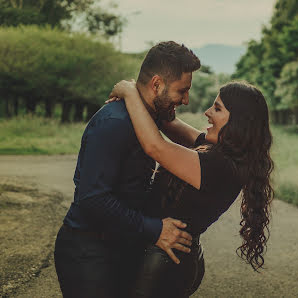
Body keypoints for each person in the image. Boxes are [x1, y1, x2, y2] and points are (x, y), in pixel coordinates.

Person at [54, 41, 201, 298]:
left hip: (119, 246)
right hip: (88, 254)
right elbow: (93, 199)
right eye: (182, 91)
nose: (186, 100)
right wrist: (155, 229)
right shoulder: (115, 122)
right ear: (156, 84)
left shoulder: (149, 114)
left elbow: (178, 129)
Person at [107, 80, 274, 297]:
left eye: (217, 108)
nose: (207, 112)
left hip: (163, 262)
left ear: (238, 122)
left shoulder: (220, 165)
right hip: (174, 256)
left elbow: (155, 146)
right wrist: (148, 94)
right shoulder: (226, 152)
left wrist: (128, 92)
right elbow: (171, 125)